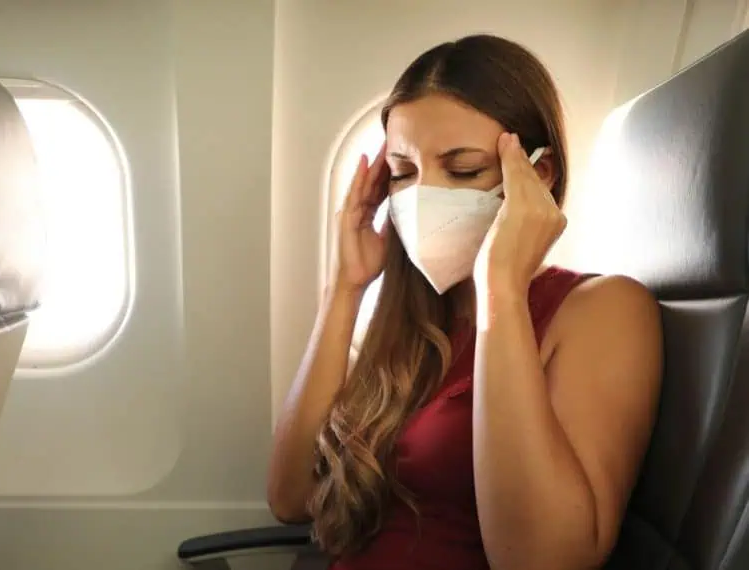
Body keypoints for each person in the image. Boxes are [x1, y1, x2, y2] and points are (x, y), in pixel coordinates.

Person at [266, 34, 663, 570]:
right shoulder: (415, 323)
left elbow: (542, 561)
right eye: (404, 173)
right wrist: (345, 286)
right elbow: (291, 499)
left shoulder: (603, 308)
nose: (422, 197)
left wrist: (501, 284)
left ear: (538, 176)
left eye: (464, 169)